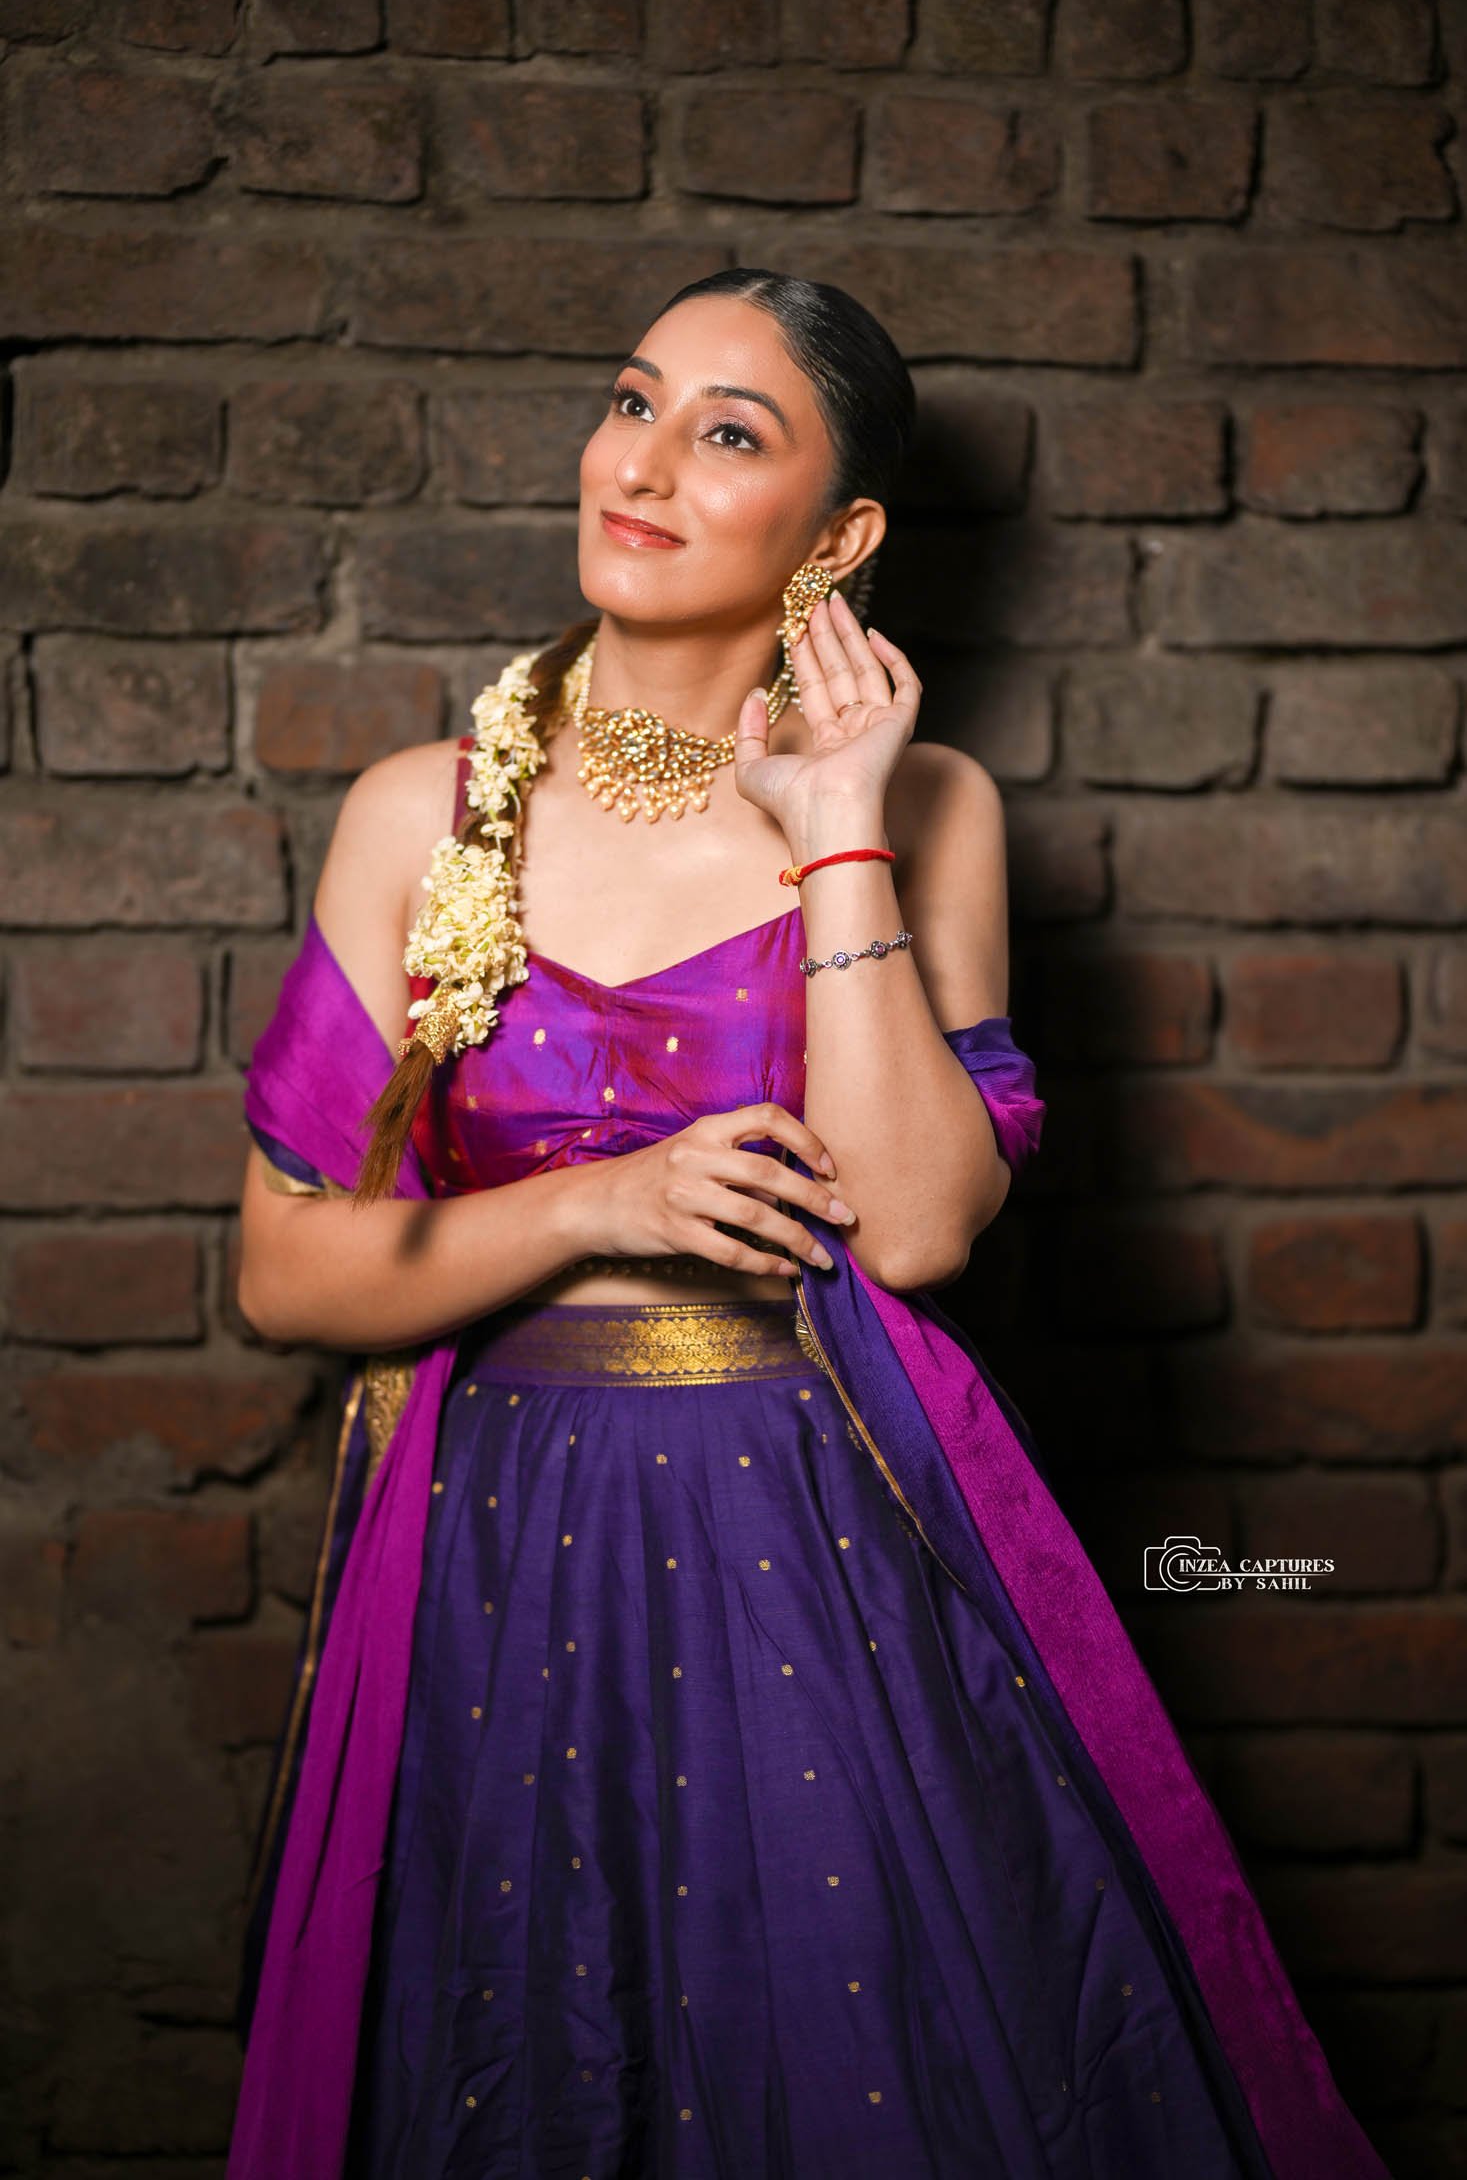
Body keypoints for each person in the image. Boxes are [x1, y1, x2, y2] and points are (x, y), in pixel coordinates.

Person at [225, 269, 1388, 2179]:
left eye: (728, 434)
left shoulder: (930, 803)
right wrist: (604, 1201)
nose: (641, 466)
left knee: (845, 2061)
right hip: (495, 1548)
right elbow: (286, 1269)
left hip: (815, 1537)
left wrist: (835, 819)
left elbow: (917, 1228)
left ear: (838, 540)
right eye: (632, 403)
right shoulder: (419, 814)